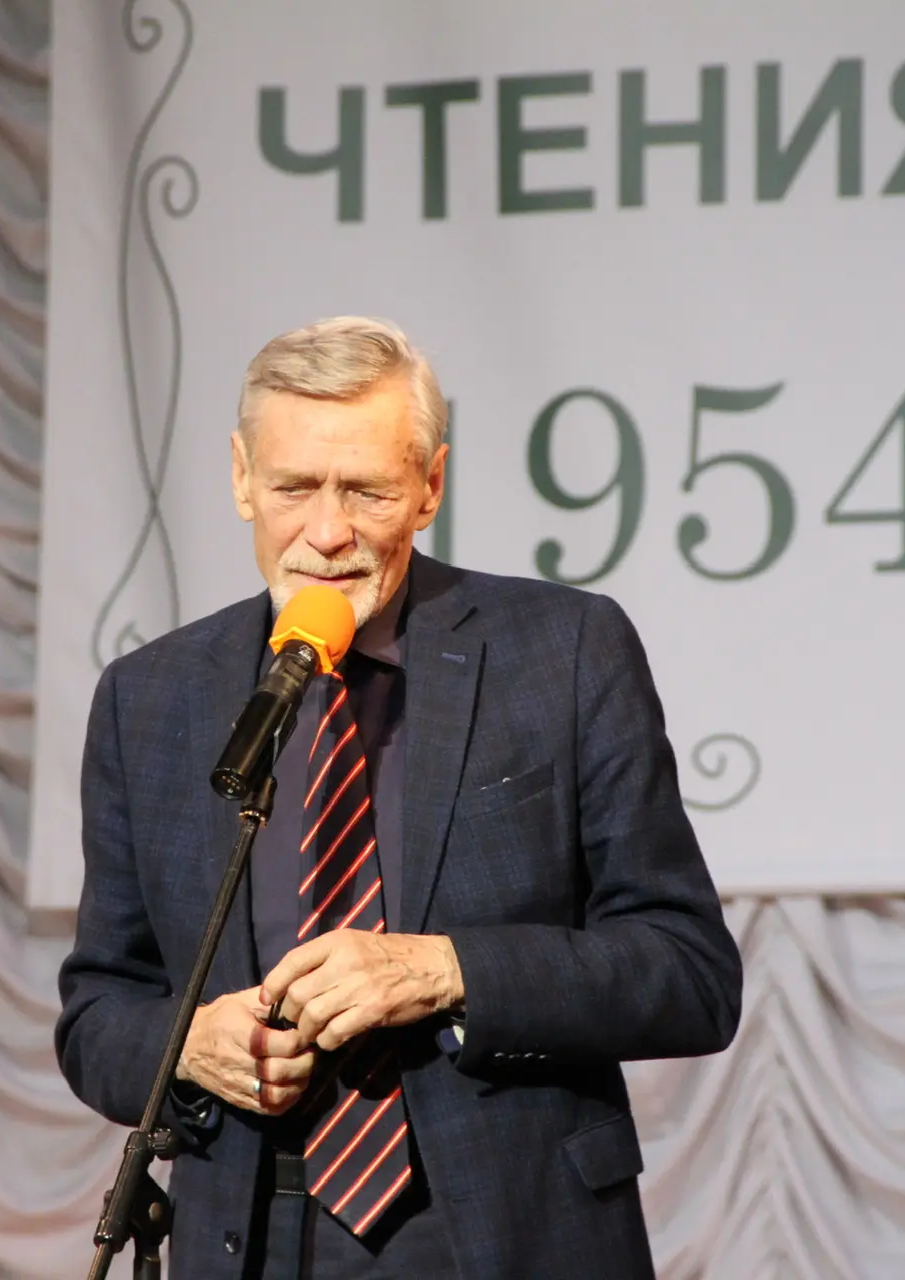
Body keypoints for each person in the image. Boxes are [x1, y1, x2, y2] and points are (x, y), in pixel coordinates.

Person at [56, 316, 742, 1278]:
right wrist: (191, 1047)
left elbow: (689, 974)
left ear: (430, 486)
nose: (327, 532)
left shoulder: (564, 650)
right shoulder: (151, 697)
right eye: (294, 488)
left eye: (366, 491)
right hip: (251, 1240)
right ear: (241, 478)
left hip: (505, 1240)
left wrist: (446, 970)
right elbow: (97, 1014)